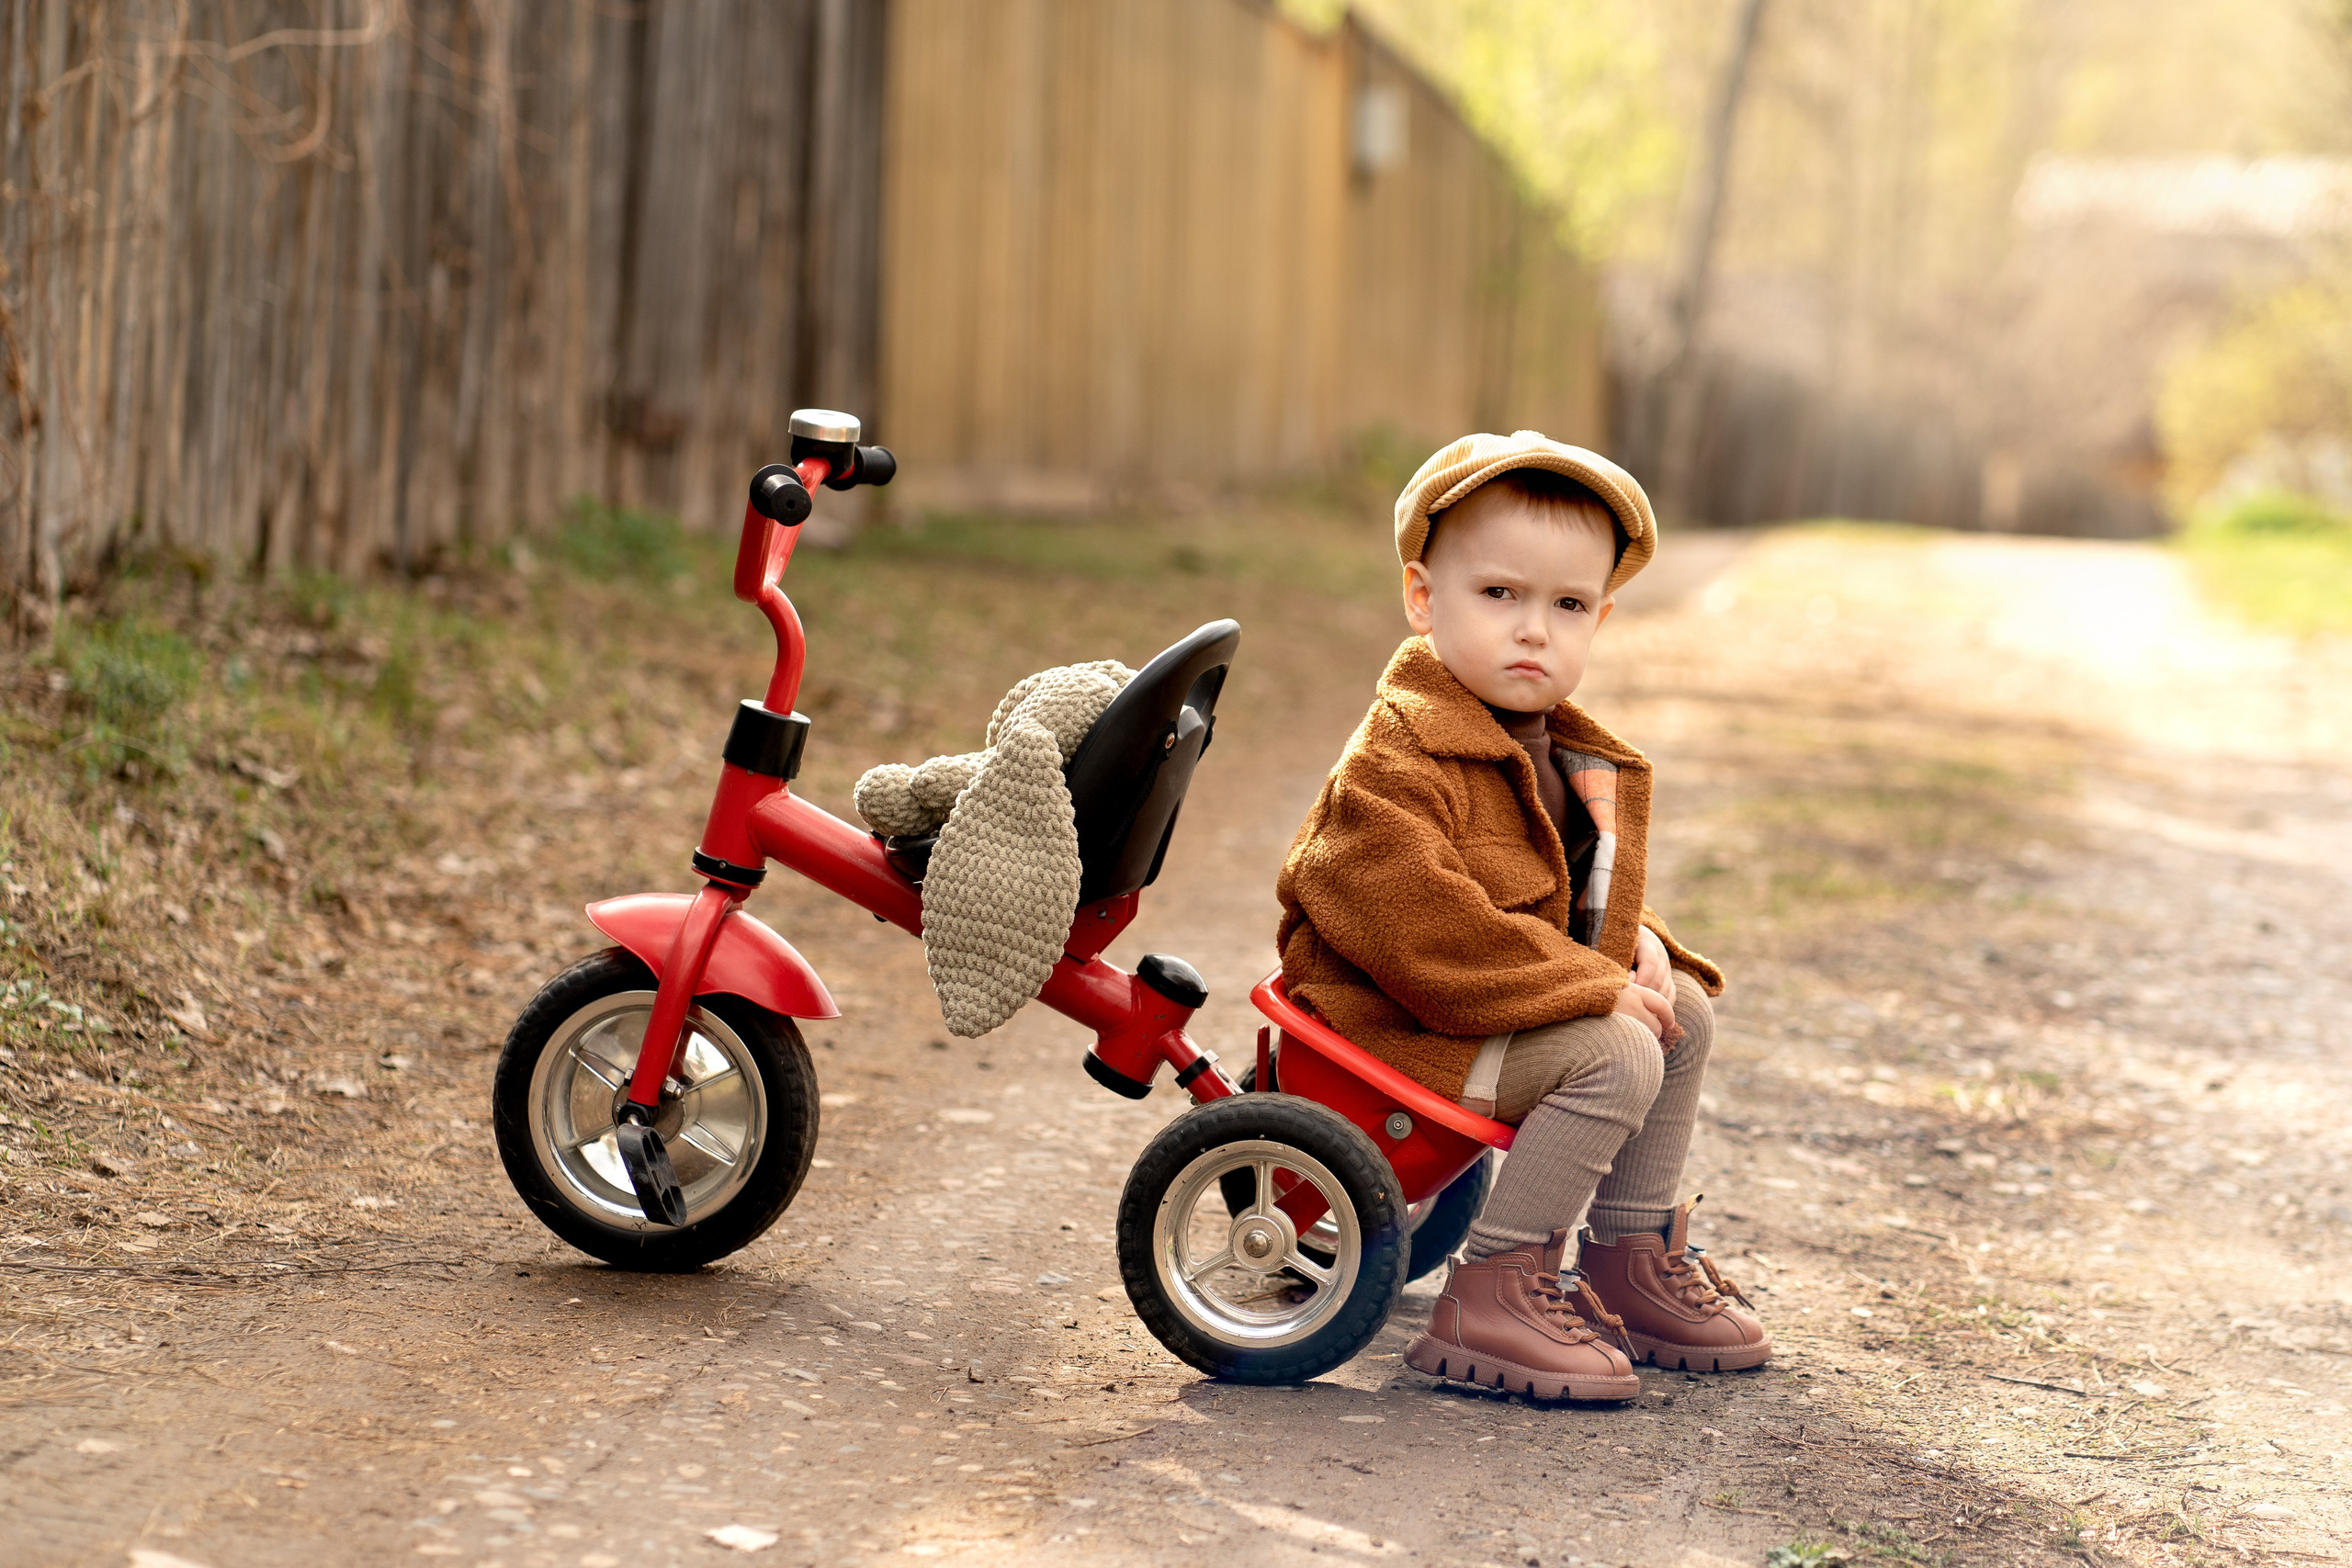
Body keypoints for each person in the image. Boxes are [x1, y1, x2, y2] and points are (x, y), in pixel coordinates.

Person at [1275, 431, 1769, 1402]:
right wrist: (1589, 986)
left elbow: (1554, 889)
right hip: (1398, 1021)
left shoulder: (1550, 747)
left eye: (1567, 605)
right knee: (1615, 1052)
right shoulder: (1394, 762)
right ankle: (1496, 1284)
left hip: (1483, 1001)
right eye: (1500, 594)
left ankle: (1626, 1256)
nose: (1534, 630)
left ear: (1601, 617)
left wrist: (1633, 942)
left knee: (1682, 1016)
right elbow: (1425, 929)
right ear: (1423, 598)